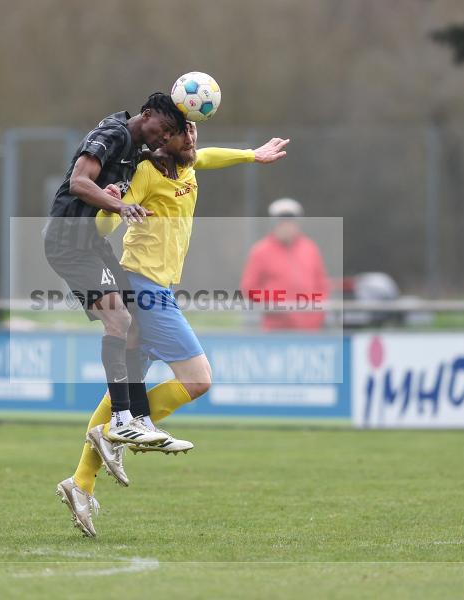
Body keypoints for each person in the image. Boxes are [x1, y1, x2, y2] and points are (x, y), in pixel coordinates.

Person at [56, 121, 290, 537]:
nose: (195, 140)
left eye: (197, 132)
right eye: (188, 133)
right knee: (198, 380)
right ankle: (121, 432)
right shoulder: (146, 172)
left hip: (156, 286)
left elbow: (211, 157)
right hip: (144, 287)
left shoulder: (186, 165)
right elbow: (106, 225)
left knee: (123, 391)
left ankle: (81, 482)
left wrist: (251, 155)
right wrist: (111, 202)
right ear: (168, 139)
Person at [44, 92, 187, 451]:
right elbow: (79, 182)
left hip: (91, 243)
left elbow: (190, 159)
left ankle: (138, 418)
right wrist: (119, 205)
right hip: (68, 242)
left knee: (136, 322)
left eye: (171, 134)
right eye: (162, 129)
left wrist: (247, 155)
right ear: (147, 113)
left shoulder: (138, 147)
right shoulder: (111, 135)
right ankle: (121, 421)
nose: (163, 138)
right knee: (118, 320)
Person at [240, 198, 330, 330]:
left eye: (290, 222)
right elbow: (249, 288)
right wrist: (277, 305)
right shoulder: (261, 251)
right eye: (282, 222)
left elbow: (322, 285)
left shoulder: (310, 248)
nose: (287, 226)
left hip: (310, 329)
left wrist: (315, 313)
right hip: (276, 328)